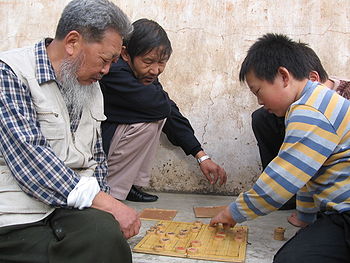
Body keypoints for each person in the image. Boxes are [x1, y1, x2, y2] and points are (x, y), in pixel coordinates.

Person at [0, 1, 141, 262]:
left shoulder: (91, 86)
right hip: (17, 214)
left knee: (106, 238)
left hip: (69, 208)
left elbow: (96, 159)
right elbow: (31, 162)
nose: (106, 70)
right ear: (73, 42)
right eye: (104, 60)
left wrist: (105, 208)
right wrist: (108, 204)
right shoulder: (10, 72)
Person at [210, 33, 350, 262]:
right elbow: (306, 174)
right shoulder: (310, 102)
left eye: (258, 91)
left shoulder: (311, 112)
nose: (259, 102)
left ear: (283, 76)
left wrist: (232, 213)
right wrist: (306, 218)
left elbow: (281, 181)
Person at [100, 18, 227, 202]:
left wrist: (201, 156)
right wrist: (162, 102)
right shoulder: (115, 71)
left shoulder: (143, 73)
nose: (155, 70)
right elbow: (161, 106)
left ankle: (127, 186)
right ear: (125, 54)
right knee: (149, 122)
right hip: (96, 150)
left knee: (159, 116)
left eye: (161, 62)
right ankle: (109, 190)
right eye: (148, 61)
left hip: (110, 142)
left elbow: (170, 112)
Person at [252, 44, 350, 214]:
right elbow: (305, 166)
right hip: (310, 176)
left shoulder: (322, 105)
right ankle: (285, 193)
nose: (260, 101)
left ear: (312, 79)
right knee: (261, 116)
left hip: (341, 197)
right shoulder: (298, 108)